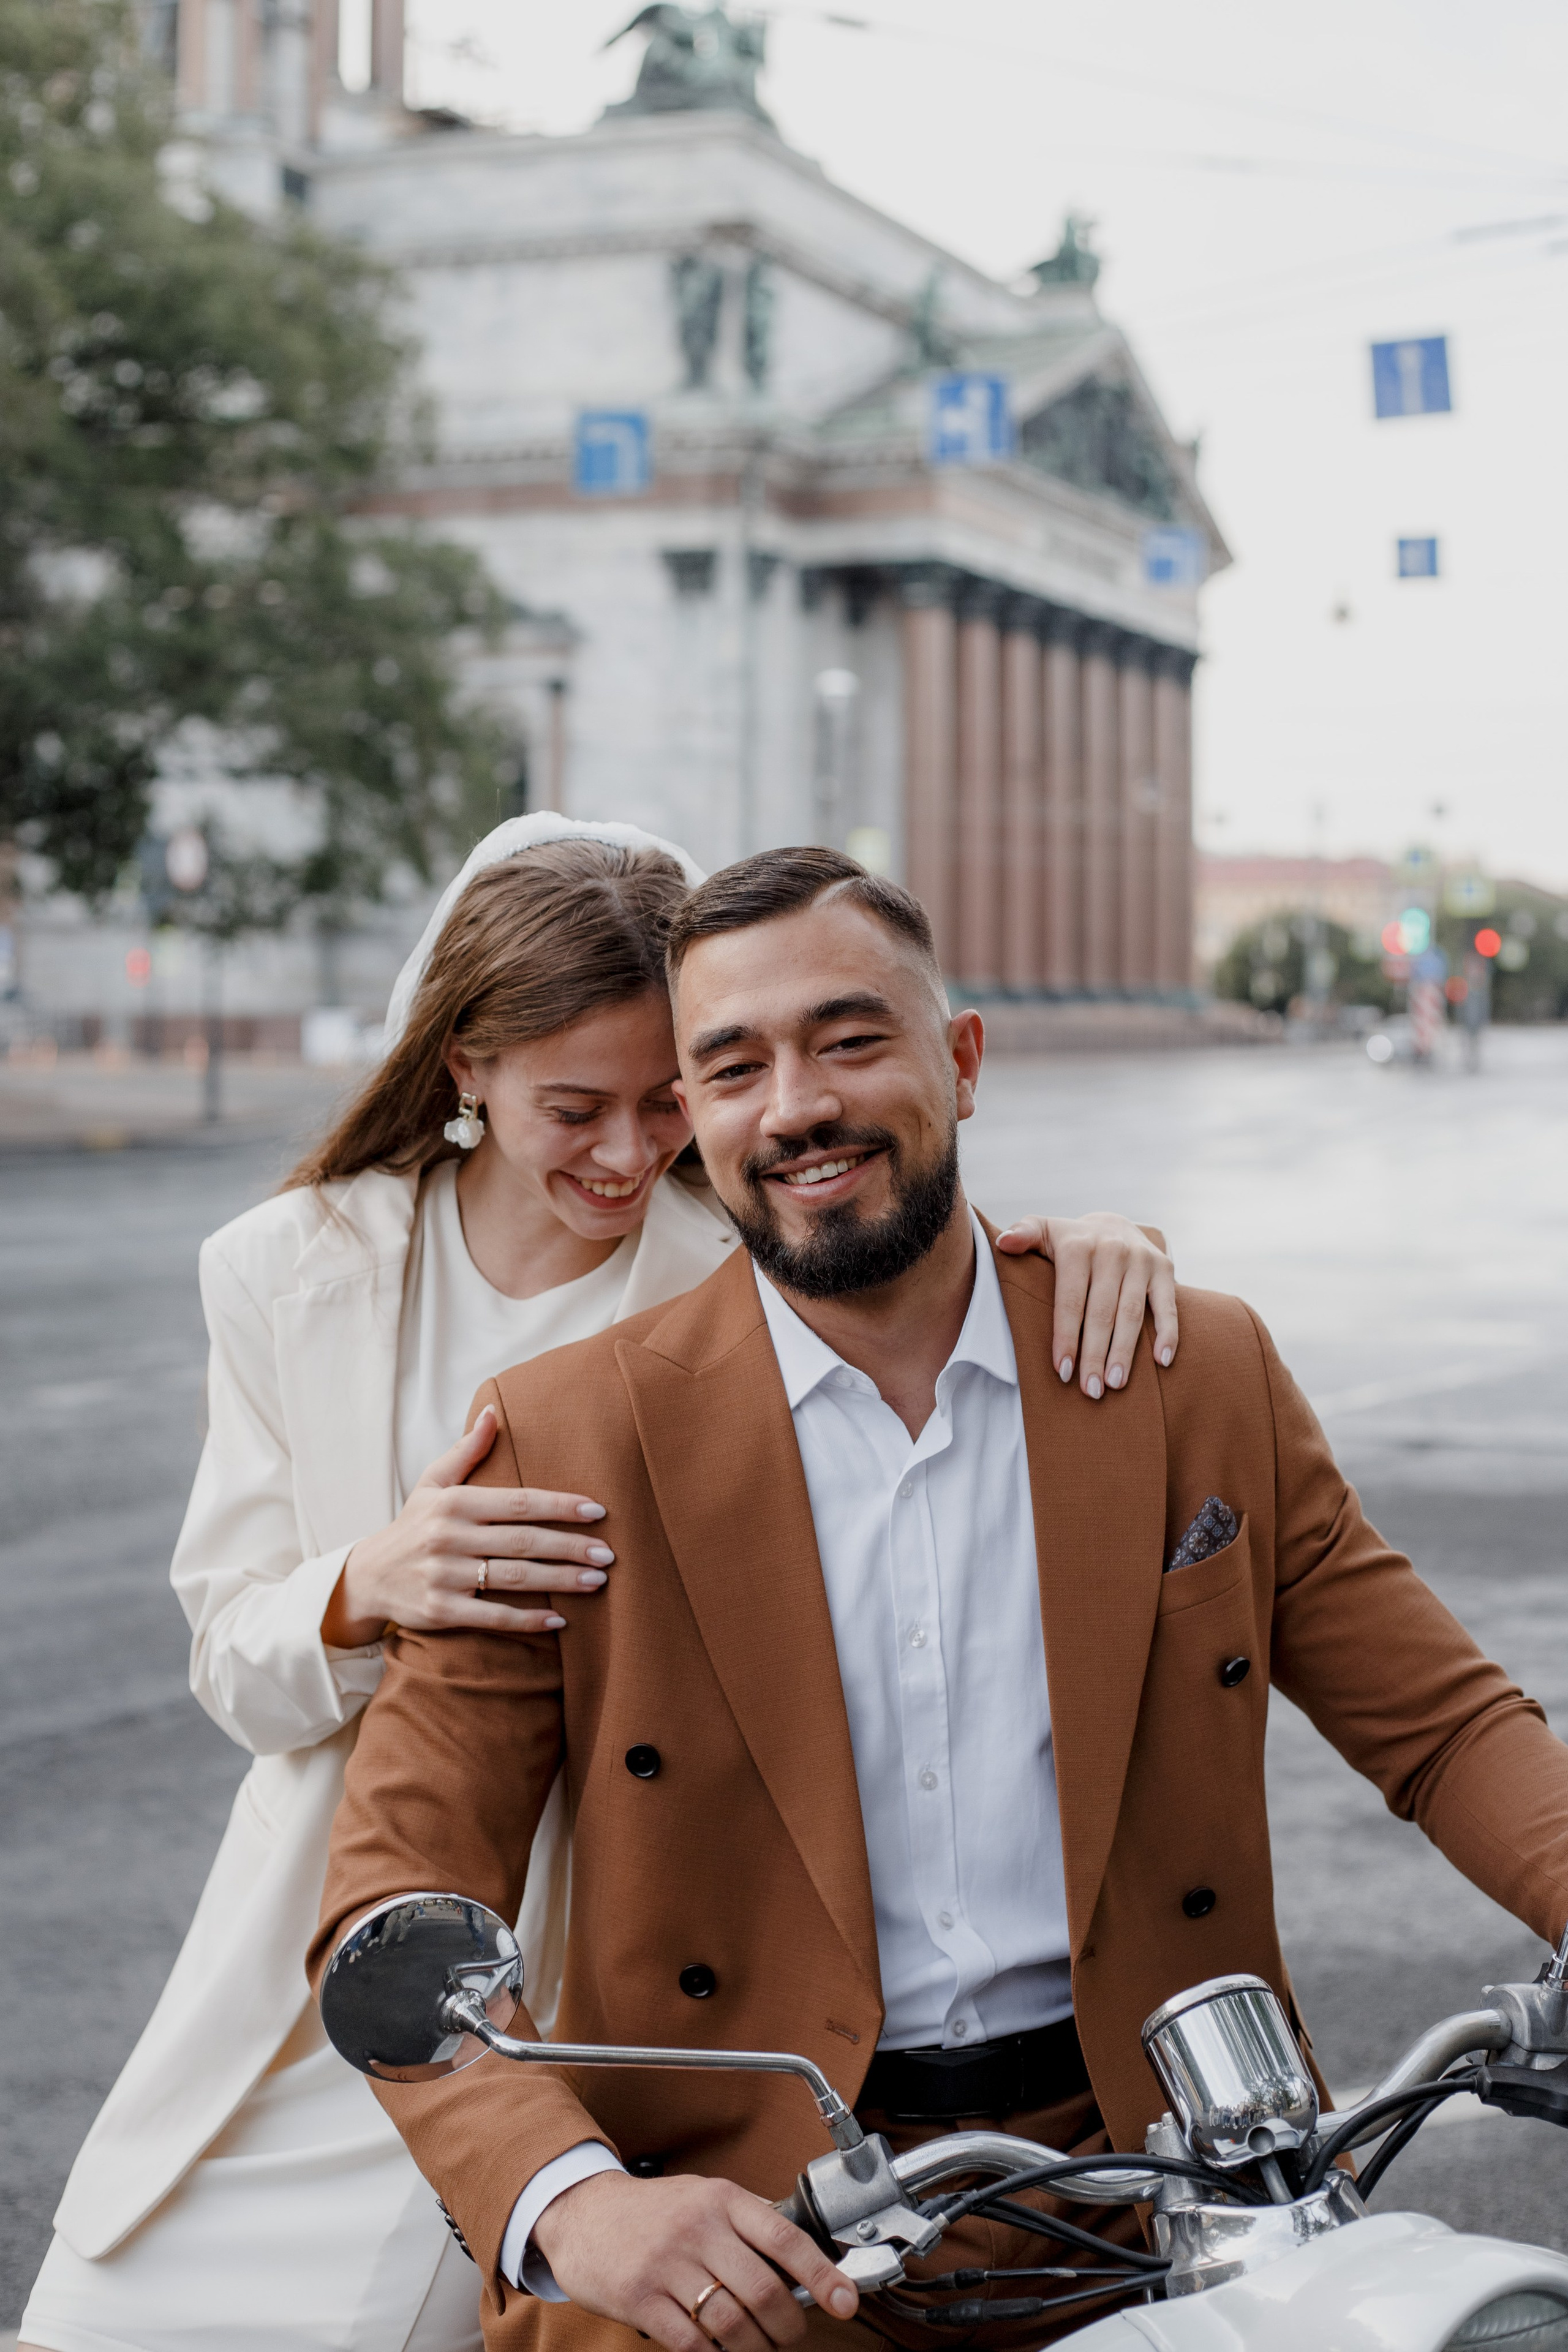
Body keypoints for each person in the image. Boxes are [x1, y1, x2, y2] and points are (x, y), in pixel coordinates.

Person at [314, 844, 1568, 2352]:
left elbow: (1442, 1730)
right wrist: (575, 2203)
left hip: (1173, 2178)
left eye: (849, 1040)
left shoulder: (1189, 1372)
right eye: (732, 1068)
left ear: (959, 1061)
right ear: (694, 1121)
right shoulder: (562, 1438)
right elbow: (391, 1897)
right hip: (737, 2222)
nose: (796, 1107)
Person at [20, 818, 1177, 2352]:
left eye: (662, 1103)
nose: (630, 1157)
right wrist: (367, 1583)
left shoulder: (737, 1261)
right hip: (332, 1945)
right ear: (464, 1071)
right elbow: (231, 1662)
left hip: (615, 1974)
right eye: (575, 1108)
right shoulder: (289, 1268)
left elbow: (921, 1252)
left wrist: (1089, 1244)